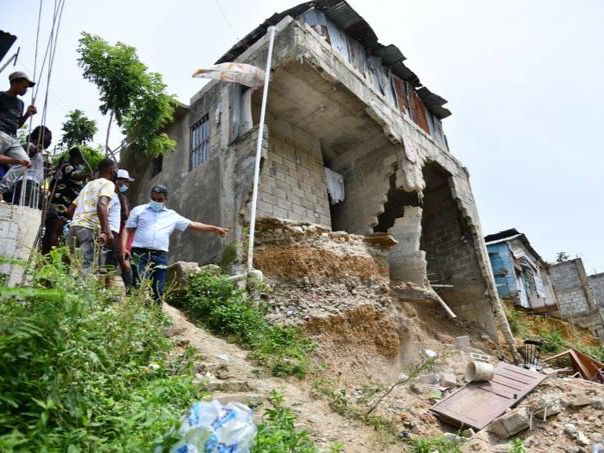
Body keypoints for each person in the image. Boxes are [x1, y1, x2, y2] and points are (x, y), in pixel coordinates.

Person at [123, 184, 229, 301]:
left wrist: (214, 229)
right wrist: (124, 248)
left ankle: (156, 315)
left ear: (165, 200)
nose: (156, 201)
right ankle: (135, 313)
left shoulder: (172, 215)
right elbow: (127, 230)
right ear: (150, 197)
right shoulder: (138, 210)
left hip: (159, 255)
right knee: (138, 284)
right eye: (153, 198)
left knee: (158, 288)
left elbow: (192, 224)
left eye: (160, 199)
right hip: (139, 253)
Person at [67, 159, 117, 274]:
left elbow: (70, 210)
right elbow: (102, 205)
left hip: (73, 228)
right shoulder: (108, 184)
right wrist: (107, 232)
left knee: (69, 266)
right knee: (87, 266)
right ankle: (82, 291)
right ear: (112, 171)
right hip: (88, 229)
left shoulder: (88, 185)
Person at [41, 147, 89, 254]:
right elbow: (75, 176)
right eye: (81, 161)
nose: (81, 164)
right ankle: (51, 259)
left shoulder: (61, 167)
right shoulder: (68, 167)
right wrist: (87, 175)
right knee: (55, 231)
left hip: (53, 204)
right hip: (60, 205)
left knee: (50, 232)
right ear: (76, 158)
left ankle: (44, 257)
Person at [0, 125, 51, 205]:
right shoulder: (28, 145)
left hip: (35, 183)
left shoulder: (42, 153)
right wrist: (35, 150)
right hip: (27, 182)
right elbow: (29, 151)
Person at [0, 72, 37, 174]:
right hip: (1, 133)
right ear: (14, 83)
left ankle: (2, 188)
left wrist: (27, 114)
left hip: (13, 137)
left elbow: (18, 125)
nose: (26, 90)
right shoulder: (1, 96)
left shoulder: (20, 103)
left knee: (25, 163)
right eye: (24, 86)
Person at [104, 169, 134, 287]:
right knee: (115, 257)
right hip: (117, 230)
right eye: (125, 182)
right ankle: (108, 286)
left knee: (124, 258)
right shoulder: (113, 195)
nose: (127, 185)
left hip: (124, 231)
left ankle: (130, 290)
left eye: (128, 182)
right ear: (118, 181)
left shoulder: (123, 197)